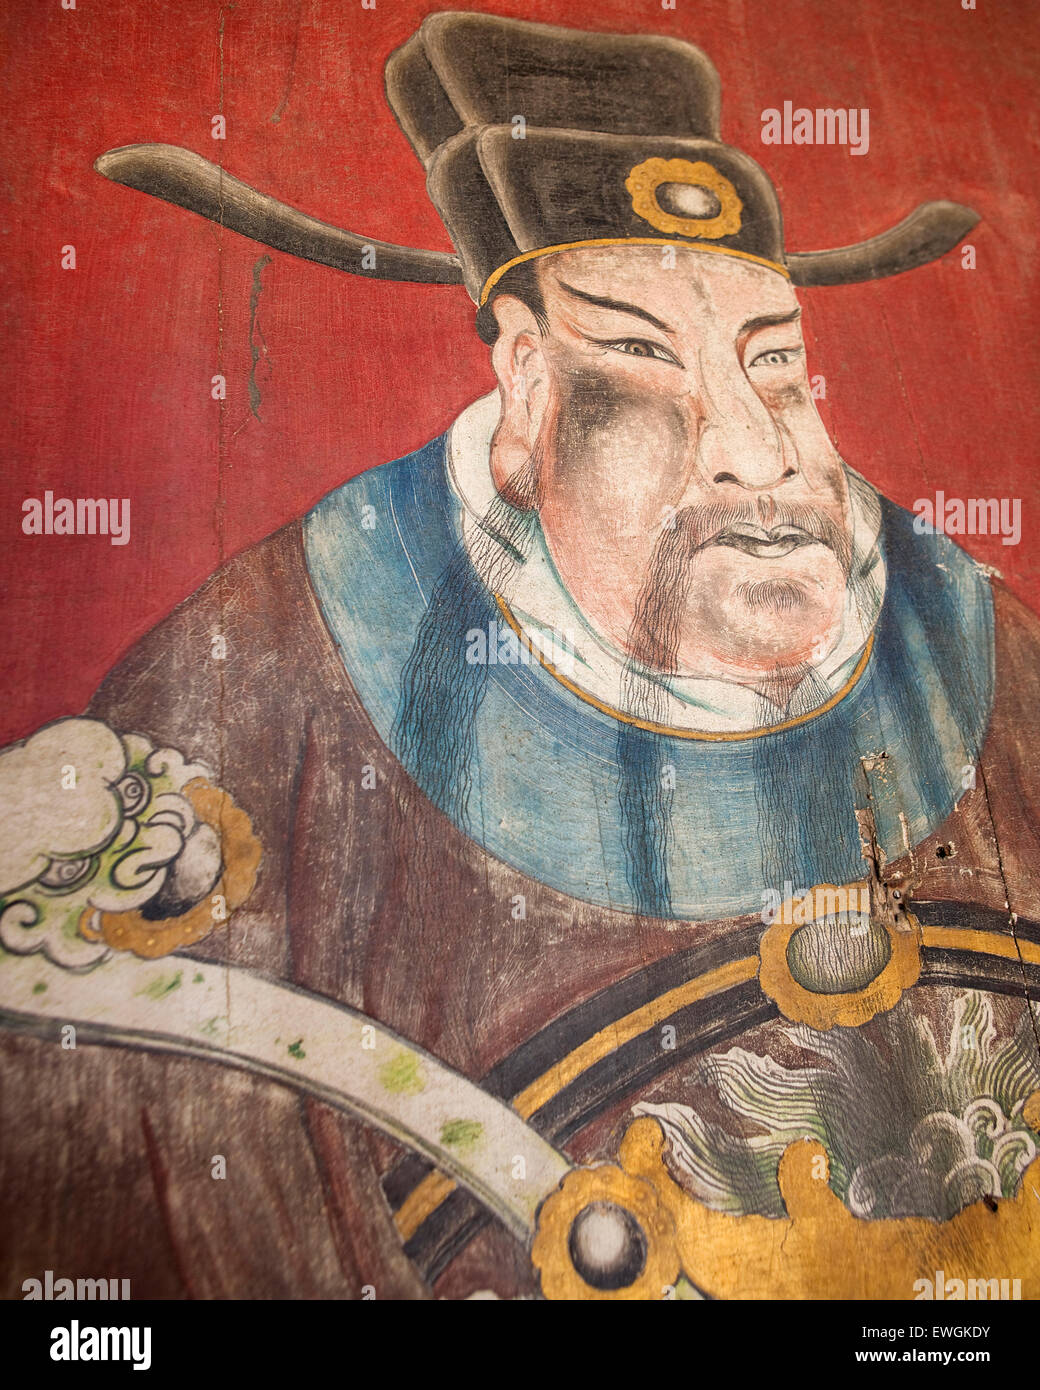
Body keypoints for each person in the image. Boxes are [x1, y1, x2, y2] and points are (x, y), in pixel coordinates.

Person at [2, 12, 1039, 1301]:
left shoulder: (970, 644)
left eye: (778, 364)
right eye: (647, 360)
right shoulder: (264, 688)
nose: (759, 452)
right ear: (530, 395)